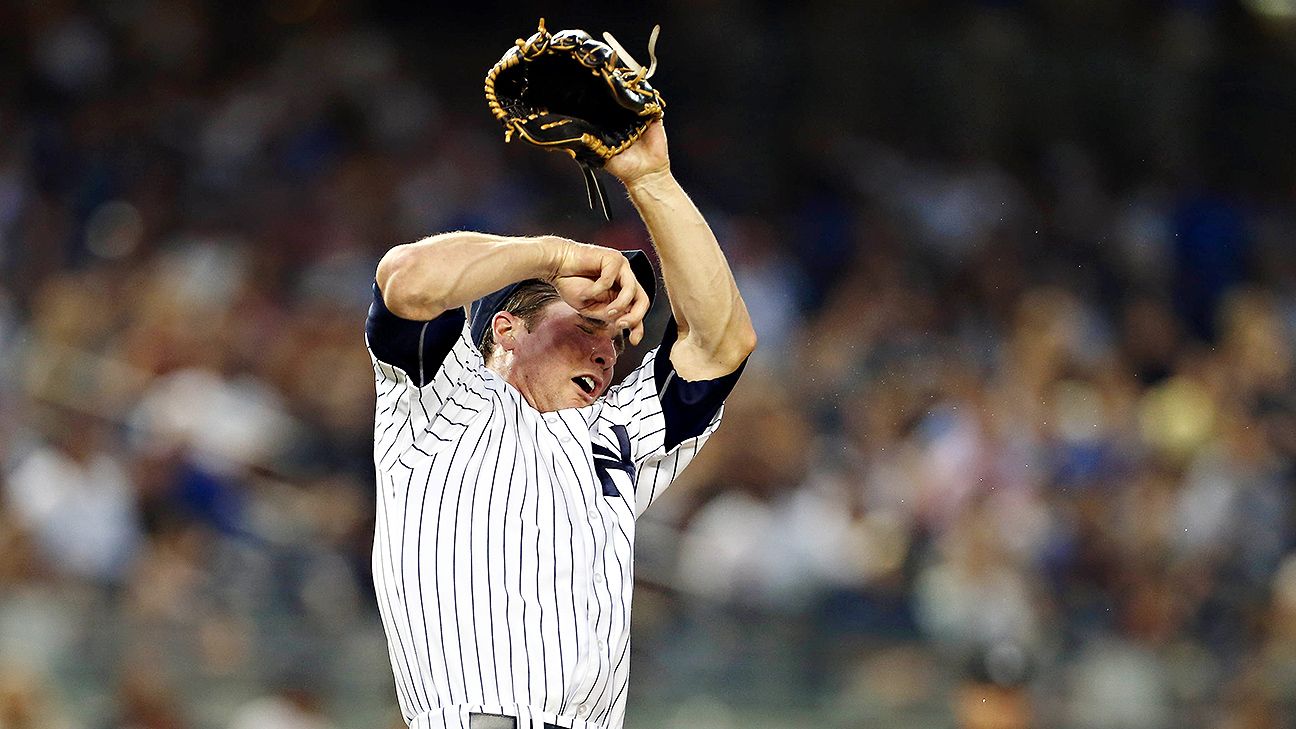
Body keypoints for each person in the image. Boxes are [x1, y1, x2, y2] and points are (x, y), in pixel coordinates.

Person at [364, 120, 756, 729]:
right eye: (587, 324)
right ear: (506, 328)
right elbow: (408, 280)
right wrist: (556, 256)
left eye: (617, 339)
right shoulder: (440, 396)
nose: (608, 352)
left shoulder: (617, 431)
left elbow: (721, 343)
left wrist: (652, 180)